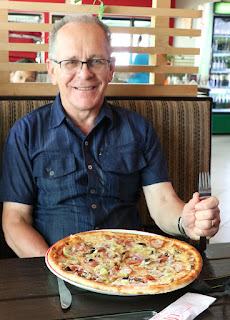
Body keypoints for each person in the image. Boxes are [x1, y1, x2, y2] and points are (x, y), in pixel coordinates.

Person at [0, 14, 220, 258]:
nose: (84, 73)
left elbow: (163, 203)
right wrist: (56, 271)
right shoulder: (26, 132)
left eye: (96, 61)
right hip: (52, 272)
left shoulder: (140, 129)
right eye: (71, 62)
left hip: (131, 269)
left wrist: (185, 221)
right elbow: (14, 221)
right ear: (52, 71)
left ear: (111, 69)